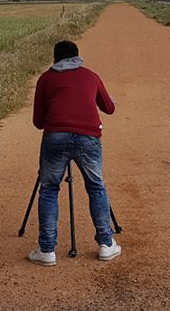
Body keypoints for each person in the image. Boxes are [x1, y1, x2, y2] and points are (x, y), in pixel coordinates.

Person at [28, 39, 120, 266]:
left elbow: (38, 122)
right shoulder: (90, 76)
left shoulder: (46, 78)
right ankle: (106, 244)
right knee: (96, 186)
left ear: (55, 59)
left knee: (49, 189)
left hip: (55, 137)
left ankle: (47, 250)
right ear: (77, 57)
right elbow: (109, 108)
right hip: (88, 138)